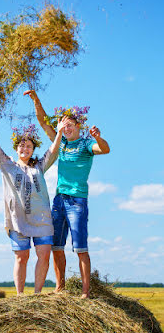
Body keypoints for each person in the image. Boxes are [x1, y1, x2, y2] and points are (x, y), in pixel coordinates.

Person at [0, 113, 70, 295]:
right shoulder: (7, 164)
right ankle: (20, 296)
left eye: (29, 146)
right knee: (22, 257)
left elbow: (53, 152)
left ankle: (37, 294)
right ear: (16, 148)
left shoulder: (39, 166)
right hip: (17, 220)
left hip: (42, 219)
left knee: (44, 255)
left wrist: (59, 132)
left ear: (33, 150)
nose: (25, 148)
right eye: (22, 145)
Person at [24, 90, 110, 298]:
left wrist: (98, 136)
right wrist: (36, 99)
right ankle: (59, 288)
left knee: (80, 248)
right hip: (59, 199)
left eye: (71, 124)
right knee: (56, 246)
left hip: (77, 201)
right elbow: (43, 122)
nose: (67, 127)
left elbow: (105, 149)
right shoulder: (60, 142)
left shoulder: (87, 143)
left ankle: (85, 292)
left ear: (78, 126)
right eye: (64, 124)